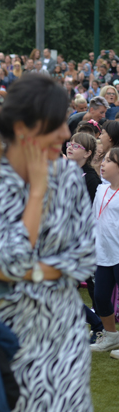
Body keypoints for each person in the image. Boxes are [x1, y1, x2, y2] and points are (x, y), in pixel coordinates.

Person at [0, 74, 99, 412]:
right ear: (24, 129)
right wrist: (37, 194)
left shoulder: (70, 176)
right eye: (57, 123)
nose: (66, 131)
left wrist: (29, 271)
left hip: (63, 335)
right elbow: (9, 261)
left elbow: (85, 258)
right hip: (7, 338)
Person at [90, 147, 119, 354]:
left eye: (108, 161)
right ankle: (111, 337)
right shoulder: (102, 188)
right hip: (103, 253)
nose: (103, 164)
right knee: (100, 297)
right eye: (103, 160)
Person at [65, 132, 100, 203]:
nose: (70, 148)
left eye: (75, 146)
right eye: (69, 144)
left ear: (87, 153)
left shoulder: (91, 179)